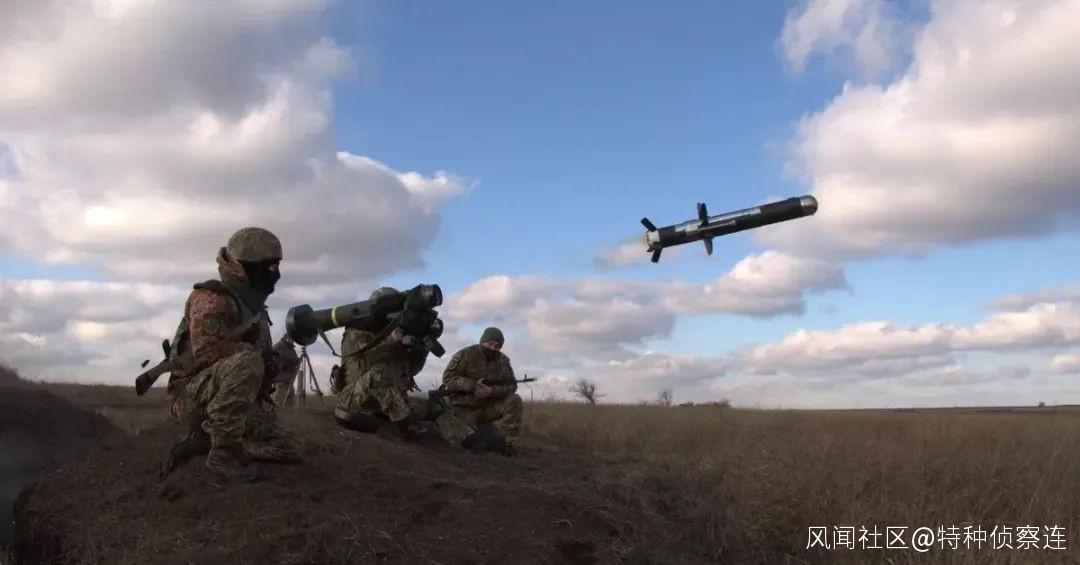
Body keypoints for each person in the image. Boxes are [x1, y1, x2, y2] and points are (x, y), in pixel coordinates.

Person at [162, 226, 301, 480]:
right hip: (192, 398)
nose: (275, 274)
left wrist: (276, 360)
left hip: (229, 399)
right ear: (242, 267)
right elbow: (207, 354)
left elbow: (252, 363)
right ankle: (223, 455)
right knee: (248, 361)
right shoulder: (211, 298)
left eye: (276, 266)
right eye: (268, 267)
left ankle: (207, 441)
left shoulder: (255, 308)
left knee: (289, 447)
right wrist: (258, 358)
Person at [334, 287, 433, 438]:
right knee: (379, 373)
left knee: (433, 405)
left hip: (384, 402)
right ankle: (407, 426)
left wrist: (423, 349)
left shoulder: (396, 337)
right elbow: (368, 358)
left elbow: (411, 370)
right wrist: (392, 340)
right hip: (354, 399)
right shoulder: (355, 334)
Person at [435, 327, 523, 456]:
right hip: (463, 407)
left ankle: (507, 445)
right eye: (490, 344)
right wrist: (472, 386)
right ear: (482, 342)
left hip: (487, 408)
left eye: (497, 346)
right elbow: (448, 377)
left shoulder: (503, 361)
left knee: (514, 400)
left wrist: (491, 391)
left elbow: (512, 386)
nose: (493, 348)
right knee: (466, 439)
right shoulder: (465, 354)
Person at [270, 335, 301, 407]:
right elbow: (275, 363)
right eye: (290, 338)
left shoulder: (292, 350)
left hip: (289, 382)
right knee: (277, 405)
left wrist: (296, 362)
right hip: (280, 382)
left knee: (290, 406)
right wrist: (288, 364)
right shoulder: (278, 347)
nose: (292, 341)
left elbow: (293, 362)